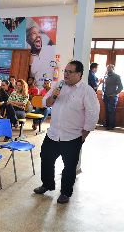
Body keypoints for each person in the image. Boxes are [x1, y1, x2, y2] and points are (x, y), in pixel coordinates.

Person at [34, 60, 100, 204]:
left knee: (69, 166)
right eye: (65, 71)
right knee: (46, 159)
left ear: (79, 74)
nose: (66, 74)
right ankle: (47, 184)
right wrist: (54, 96)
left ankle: (65, 193)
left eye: (70, 72)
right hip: (53, 134)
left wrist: (84, 135)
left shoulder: (86, 90)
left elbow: (93, 114)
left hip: (72, 136)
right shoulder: (59, 85)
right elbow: (46, 102)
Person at [102, 64, 123, 130]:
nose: (108, 70)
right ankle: (107, 124)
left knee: (111, 111)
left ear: (113, 69)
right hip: (105, 96)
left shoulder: (117, 76)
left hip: (112, 97)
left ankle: (111, 126)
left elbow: (121, 87)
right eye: (107, 68)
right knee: (107, 111)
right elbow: (104, 86)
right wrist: (103, 93)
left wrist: (114, 94)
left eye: (109, 68)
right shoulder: (106, 76)